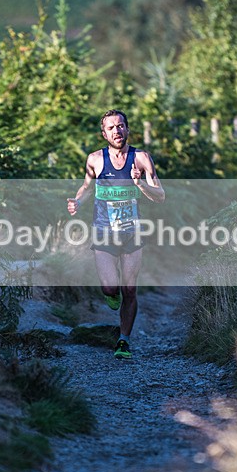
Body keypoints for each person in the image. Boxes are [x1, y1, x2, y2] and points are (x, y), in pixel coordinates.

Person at [67, 109, 165, 359]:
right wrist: (77, 202)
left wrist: (139, 184)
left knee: (130, 290)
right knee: (110, 287)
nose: (116, 131)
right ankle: (111, 295)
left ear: (127, 129)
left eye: (120, 126)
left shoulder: (141, 158)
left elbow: (160, 195)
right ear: (104, 133)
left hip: (133, 233)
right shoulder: (95, 159)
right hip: (103, 232)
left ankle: (123, 340)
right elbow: (87, 188)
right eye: (111, 128)